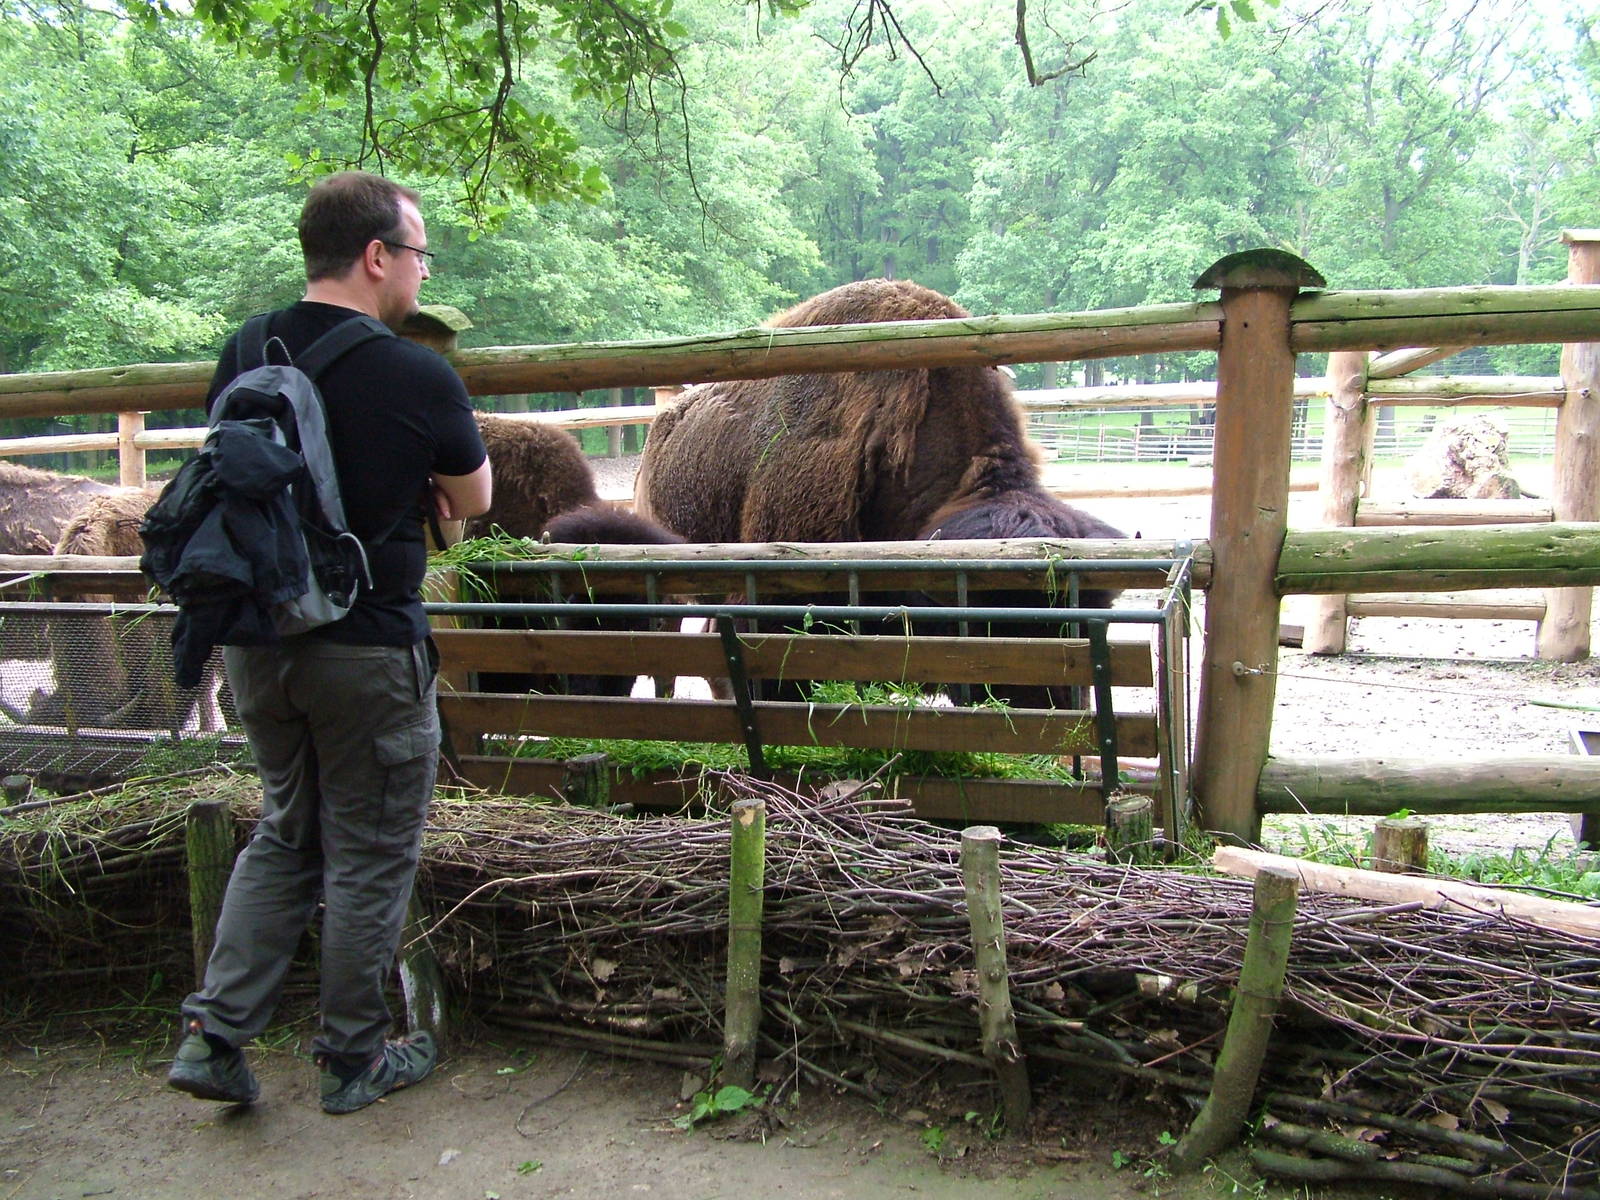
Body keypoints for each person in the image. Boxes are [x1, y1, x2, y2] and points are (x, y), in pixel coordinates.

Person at [167, 171, 492, 1115]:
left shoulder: (244, 350)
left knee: (286, 830)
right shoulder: (417, 371)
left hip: (257, 644)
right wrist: (427, 495)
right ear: (377, 256)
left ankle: (215, 1035)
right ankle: (353, 1058)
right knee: (372, 850)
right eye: (420, 253)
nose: (424, 274)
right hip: (368, 651)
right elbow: (473, 503)